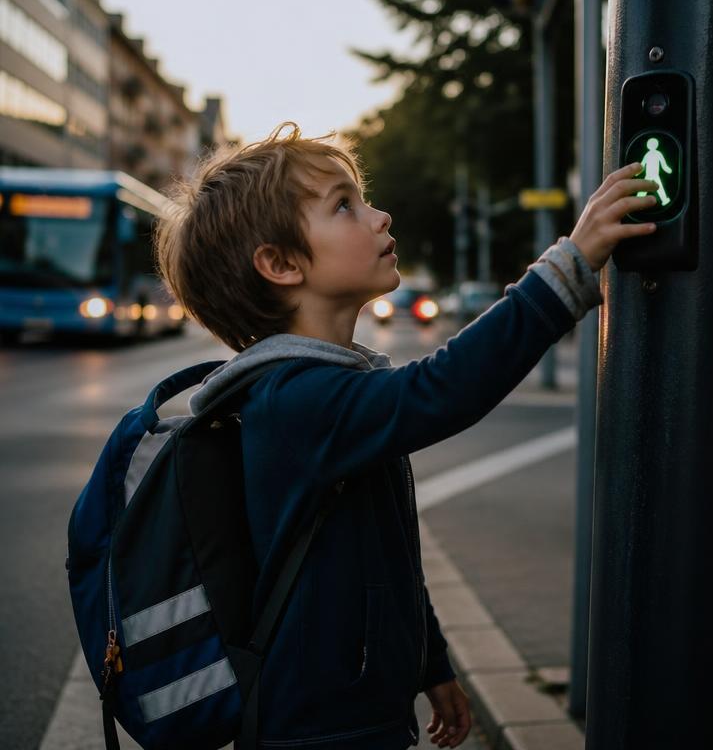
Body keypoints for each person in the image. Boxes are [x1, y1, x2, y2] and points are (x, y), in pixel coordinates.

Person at [155, 123, 658, 750]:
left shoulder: (322, 389)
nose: (378, 214)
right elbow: (442, 389)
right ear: (282, 264)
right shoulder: (295, 401)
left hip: (356, 711)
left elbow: (378, 551)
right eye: (344, 205)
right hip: (320, 729)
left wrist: (432, 662)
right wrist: (567, 269)